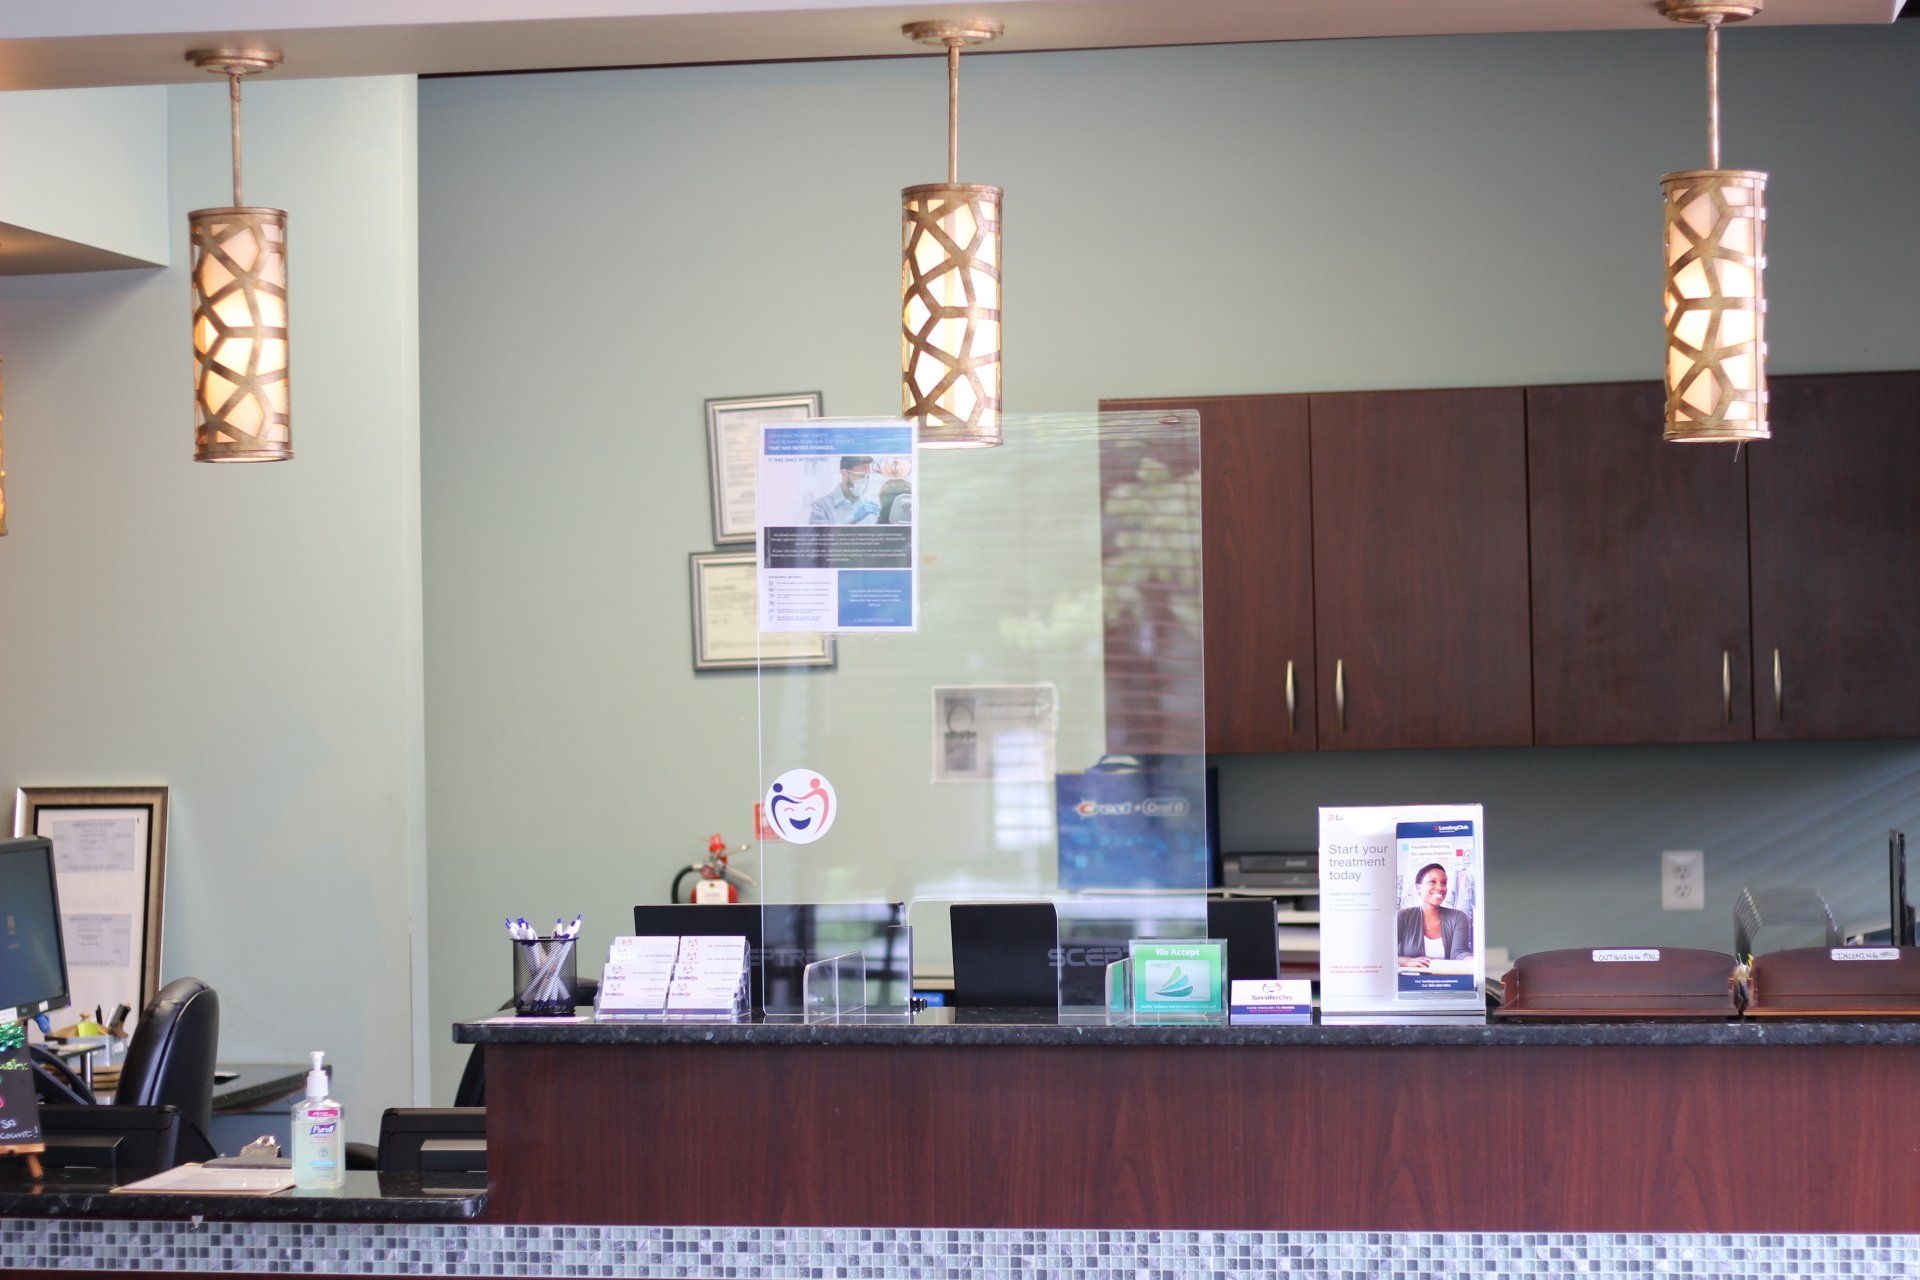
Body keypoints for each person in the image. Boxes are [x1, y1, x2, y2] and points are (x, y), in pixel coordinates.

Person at [1396, 862, 1473, 966]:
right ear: (1419, 888)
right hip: (1410, 981)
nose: (1440, 888)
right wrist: (1408, 961)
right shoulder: (1403, 916)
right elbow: (1385, 954)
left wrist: (1475, 960)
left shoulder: (1458, 917)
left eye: (1443, 883)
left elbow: (1459, 953)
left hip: (1448, 981)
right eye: (1432, 882)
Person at [807, 455, 880, 525]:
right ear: (844, 473)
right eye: (861, 476)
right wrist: (853, 518)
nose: (865, 481)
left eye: (867, 477)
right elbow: (820, 536)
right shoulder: (821, 506)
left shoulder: (869, 508)